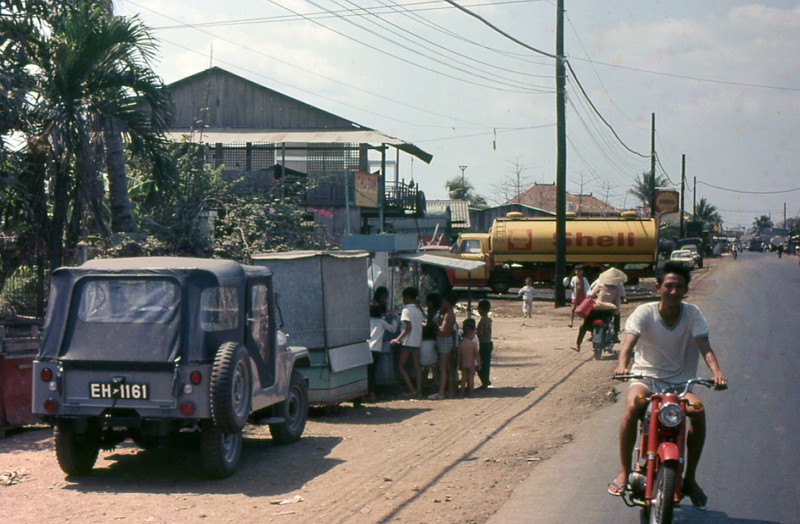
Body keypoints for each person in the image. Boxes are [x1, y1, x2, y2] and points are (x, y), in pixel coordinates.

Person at [609, 261, 727, 511]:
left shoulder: (693, 313)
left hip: (681, 384)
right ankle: (623, 470)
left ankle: (690, 478)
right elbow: (628, 344)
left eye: (679, 287)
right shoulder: (644, 311)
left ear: (686, 290)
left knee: (698, 411)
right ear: (658, 287)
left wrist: (717, 373)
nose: (674, 291)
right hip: (645, 378)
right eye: (669, 286)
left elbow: (705, 347)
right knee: (633, 406)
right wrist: (622, 365)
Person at [572, 268, 626, 352]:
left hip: (596, 307)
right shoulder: (617, 288)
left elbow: (591, 294)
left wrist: (592, 297)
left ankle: (578, 344)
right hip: (608, 310)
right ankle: (615, 334)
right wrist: (616, 311)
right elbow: (618, 301)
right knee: (617, 315)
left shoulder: (600, 284)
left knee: (584, 325)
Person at [391, 287, 424, 397]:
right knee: (417, 367)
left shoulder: (406, 310)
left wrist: (397, 339)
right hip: (417, 342)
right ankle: (419, 390)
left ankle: (411, 389)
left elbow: (408, 328)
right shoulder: (419, 311)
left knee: (401, 366)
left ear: (407, 297)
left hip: (408, 342)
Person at [368, 303, 399, 400]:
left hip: (366, 349)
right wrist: (394, 318)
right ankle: (372, 393)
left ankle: (367, 392)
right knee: (372, 372)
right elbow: (393, 329)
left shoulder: (367, 321)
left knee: (368, 372)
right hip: (376, 349)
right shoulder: (381, 322)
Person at [429, 293, 457, 400]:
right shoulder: (450, 313)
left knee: (443, 367)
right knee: (448, 367)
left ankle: (441, 392)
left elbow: (442, 330)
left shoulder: (448, 315)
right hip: (448, 340)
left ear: (448, 302)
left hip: (444, 340)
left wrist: (436, 323)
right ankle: (451, 390)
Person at [457, 318, 480, 396]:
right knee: (471, 378)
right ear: (471, 333)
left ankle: (462, 393)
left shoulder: (461, 343)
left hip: (464, 363)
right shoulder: (473, 344)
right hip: (471, 364)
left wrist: (459, 363)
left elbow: (459, 355)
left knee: (463, 378)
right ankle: (471, 392)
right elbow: (477, 355)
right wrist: (479, 364)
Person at [476, 299, 493, 389]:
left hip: (483, 344)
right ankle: (486, 380)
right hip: (488, 343)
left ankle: (484, 381)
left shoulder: (483, 320)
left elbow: (480, 332)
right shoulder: (489, 320)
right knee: (486, 363)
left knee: (481, 363)